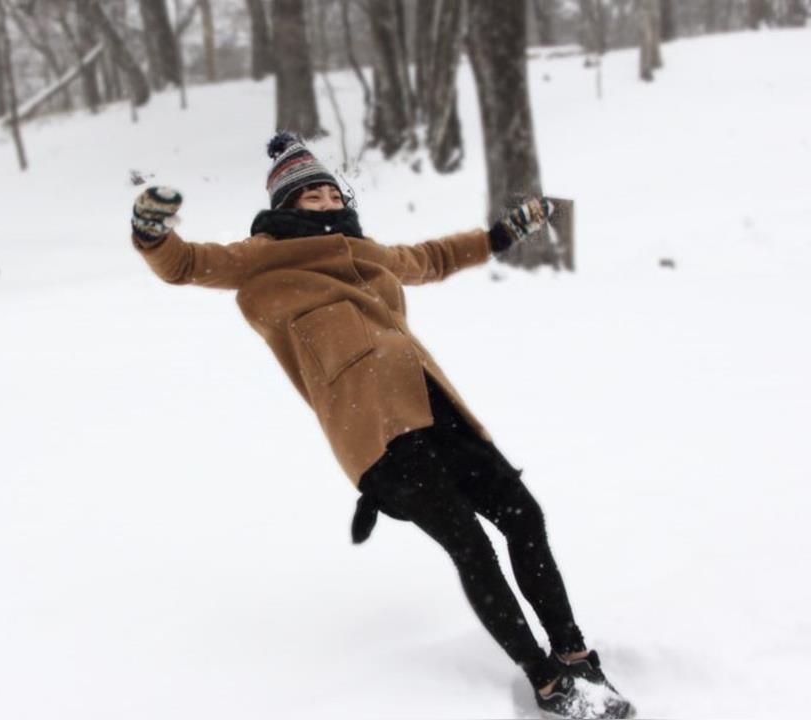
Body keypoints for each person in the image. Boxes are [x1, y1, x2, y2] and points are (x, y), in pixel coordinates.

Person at [130, 132, 636, 720]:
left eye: (327, 192)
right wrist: (151, 233)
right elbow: (186, 263)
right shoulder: (261, 255)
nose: (322, 202)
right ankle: (548, 682)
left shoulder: (370, 252)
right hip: (374, 434)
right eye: (308, 196)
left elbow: (437, 257)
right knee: (470, 544)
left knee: (524, 515)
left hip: (434, 408)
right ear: (285, 207)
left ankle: (575, 654)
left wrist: (503, 234)